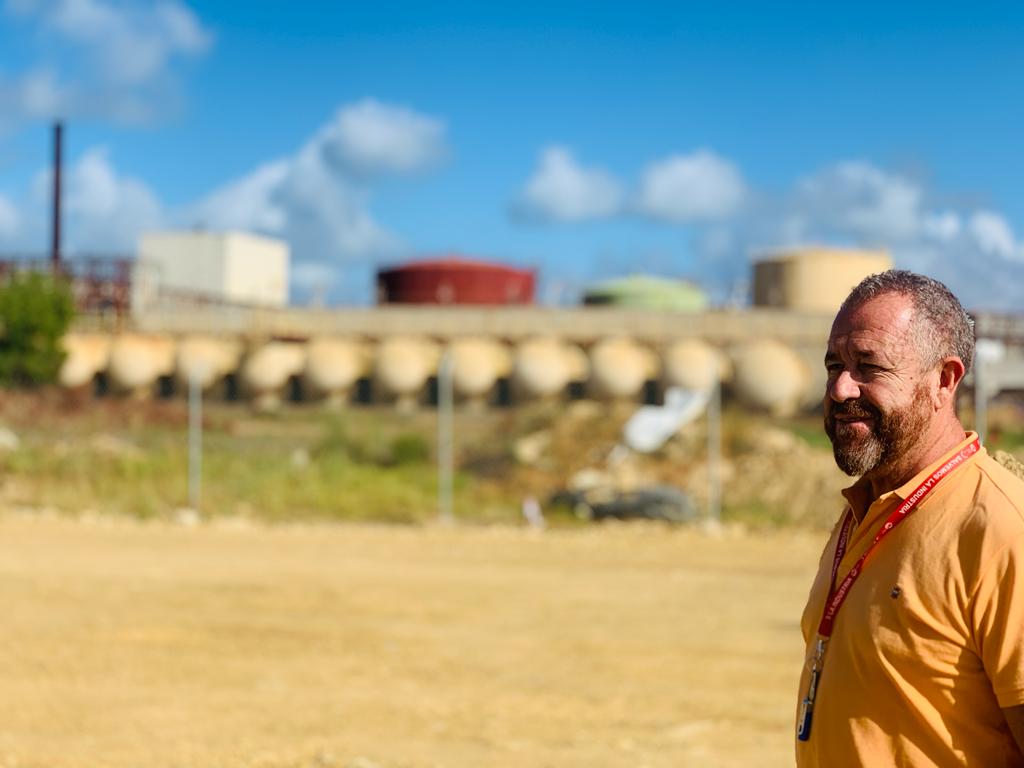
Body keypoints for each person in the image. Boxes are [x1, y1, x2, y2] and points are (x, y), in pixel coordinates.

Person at [796, 270, 1024, 766]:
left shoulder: (1002, 528)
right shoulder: (862, 511)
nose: (839, 389)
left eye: (869, 368)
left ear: (945, 381)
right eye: (834, 365)